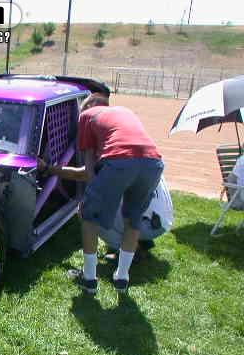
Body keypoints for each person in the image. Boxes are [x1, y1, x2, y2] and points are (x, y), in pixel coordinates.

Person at [37, 93, 164, 294]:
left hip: (121, 163)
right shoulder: (124, 113)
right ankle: (122, 278)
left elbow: (87, 173)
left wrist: (48, 169)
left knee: (87, 215)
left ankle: (89, 279)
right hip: (153, 164)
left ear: (89, 106)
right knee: (133, 220)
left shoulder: (87, 116)